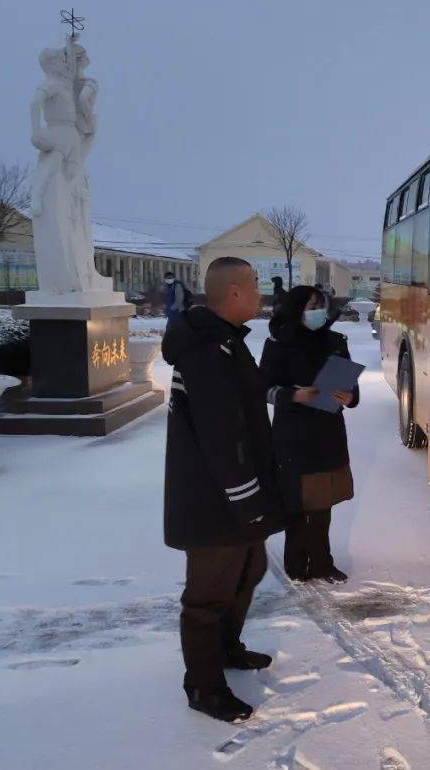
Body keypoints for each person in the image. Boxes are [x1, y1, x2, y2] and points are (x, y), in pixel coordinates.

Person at [161, 256, 287, 724]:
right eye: (254, 285)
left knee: (248, 570)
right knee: (208, 595)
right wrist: (247, 499)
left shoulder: (226, 342)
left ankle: (227, 650)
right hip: (214, 501)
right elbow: (221, 437)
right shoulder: (207, 352)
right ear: (234, 292)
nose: (260, 293)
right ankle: (203, 686)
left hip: (232, 496)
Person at [260, 285, 359, 584]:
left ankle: (321, 562)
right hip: (294, 435)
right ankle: (296, 562)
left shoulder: (334, 341)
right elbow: (264, 389)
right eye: (312, 305)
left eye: (322, 305)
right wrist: (294, 395)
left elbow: (352, 389)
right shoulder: (279, 345)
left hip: (328, 431)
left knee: (322, 503)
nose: (319, 311)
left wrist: (350, 397)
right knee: (297, 503)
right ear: (296, 309)